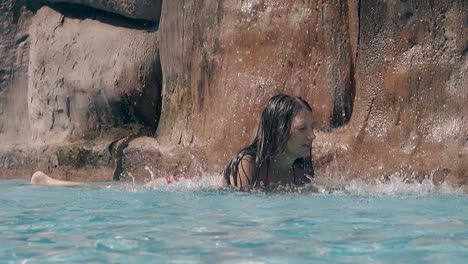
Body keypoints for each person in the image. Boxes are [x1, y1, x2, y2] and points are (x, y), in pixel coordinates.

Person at [224, 94, 316, 190]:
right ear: (278, 130)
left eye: (312, 127)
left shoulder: (301, 170)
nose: (312, 136)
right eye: (302, 128)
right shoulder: (250, 164)